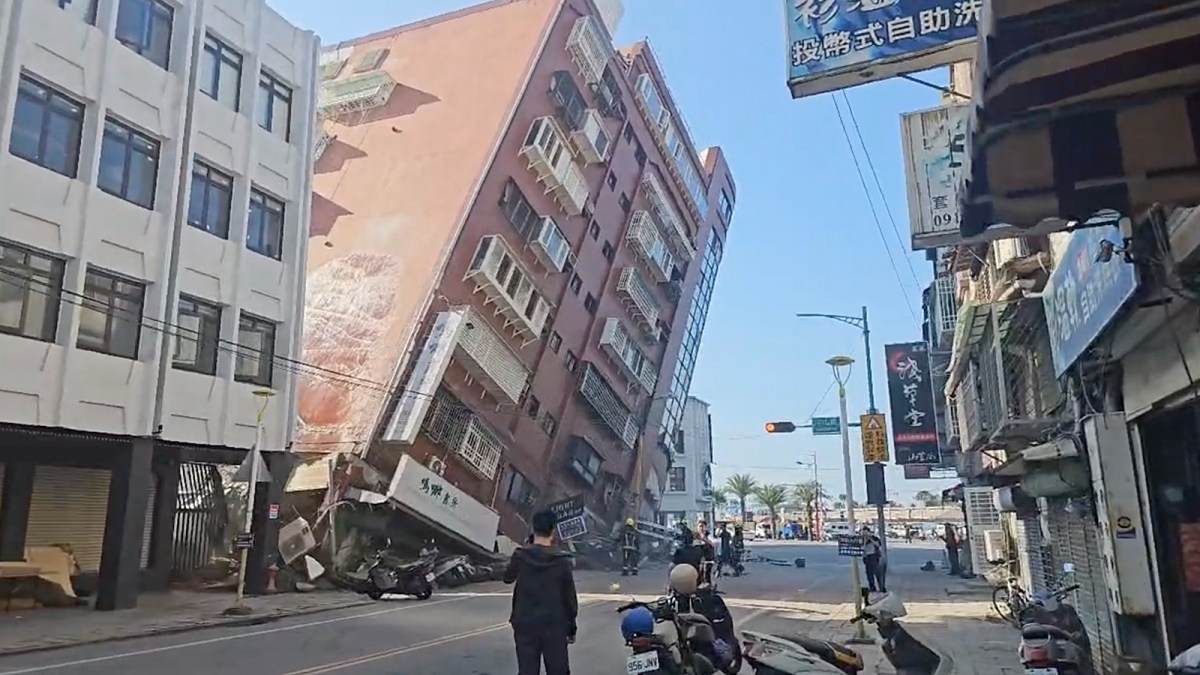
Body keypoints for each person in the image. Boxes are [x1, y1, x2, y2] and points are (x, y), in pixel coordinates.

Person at [504, 509, 578, 675]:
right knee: (558, 670)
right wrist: (571, 627)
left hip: (524, 623)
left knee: (527, 671)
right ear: (553, 530)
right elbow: (569, 599)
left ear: (533, 528)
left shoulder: (521, 555)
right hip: (554, 626)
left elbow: (507, 577)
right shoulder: (562, 561)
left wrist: (527, 545)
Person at [861, 526, 885, 593]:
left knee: (877, 573)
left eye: (866, 533)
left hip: (874, 557)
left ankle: (881, 587)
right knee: (869, 574)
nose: (865, 534)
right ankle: (872, 587)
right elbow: (862, 548)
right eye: (863, 533)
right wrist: (865, 541)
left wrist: (870, 539)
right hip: (867, 557)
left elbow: (878, 545)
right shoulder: (862, 539)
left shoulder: (874, 538)